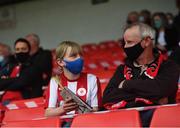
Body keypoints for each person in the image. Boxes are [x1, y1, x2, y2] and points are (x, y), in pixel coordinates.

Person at [102, 23, 179, 126]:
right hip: (126, 122)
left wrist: (126, 84)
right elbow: (108, 97)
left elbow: (161, 90)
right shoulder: (121, 69)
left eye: (129, 42)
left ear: (146, 41)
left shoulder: (169, 66)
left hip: (160, 122)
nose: (125, 47)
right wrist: (153, 96)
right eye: (124, 43)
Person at [45, 41, 102, 126]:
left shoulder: (92, 79)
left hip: (87, 124)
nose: (79, 59)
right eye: (74, 56)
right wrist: (63, 109)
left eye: (80, 55)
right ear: (60, 62)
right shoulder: (55, 81)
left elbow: (96, 110)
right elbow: (48, 114)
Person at [0, 38, 45, 104]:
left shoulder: (34, 67)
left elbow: (21, 83)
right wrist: (16, 79)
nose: (20, 52)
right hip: (5, 101)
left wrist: (7, 81)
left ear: (29, 50)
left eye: (23, 49)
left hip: (26, 103)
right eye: (17, 49)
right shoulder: (11, 66)